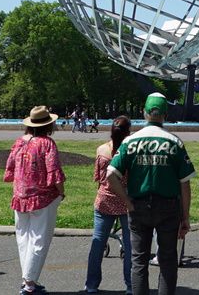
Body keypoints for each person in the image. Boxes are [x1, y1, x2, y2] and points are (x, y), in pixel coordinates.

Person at [107, 92, 196, 295]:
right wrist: (185, 216)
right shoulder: (174, 142)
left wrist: (127, 202)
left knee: (139, 261)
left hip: (138, 205)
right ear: (165, 114)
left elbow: (110, 174)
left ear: (144, 112)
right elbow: (185, 183)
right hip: (168, 207)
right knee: (168, 260)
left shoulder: (131, 141)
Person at [4, 106, 65, 295]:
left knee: (23, 239)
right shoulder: (47, 144)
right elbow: (54, 172)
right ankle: (29, 284)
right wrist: (61, 192)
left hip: (20, 196)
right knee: (39, 240)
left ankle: (27, 279)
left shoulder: (19, 142)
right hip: (42, 197)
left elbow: (10, 167)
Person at [85, 116, 133, 294]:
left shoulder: (101, 150)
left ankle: (91, 285)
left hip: (104, 200)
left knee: (98, 244)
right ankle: (130, 285)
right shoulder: (130, 152)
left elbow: (99, 178)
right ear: (128, 132)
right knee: (130, 246)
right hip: (127, 202)